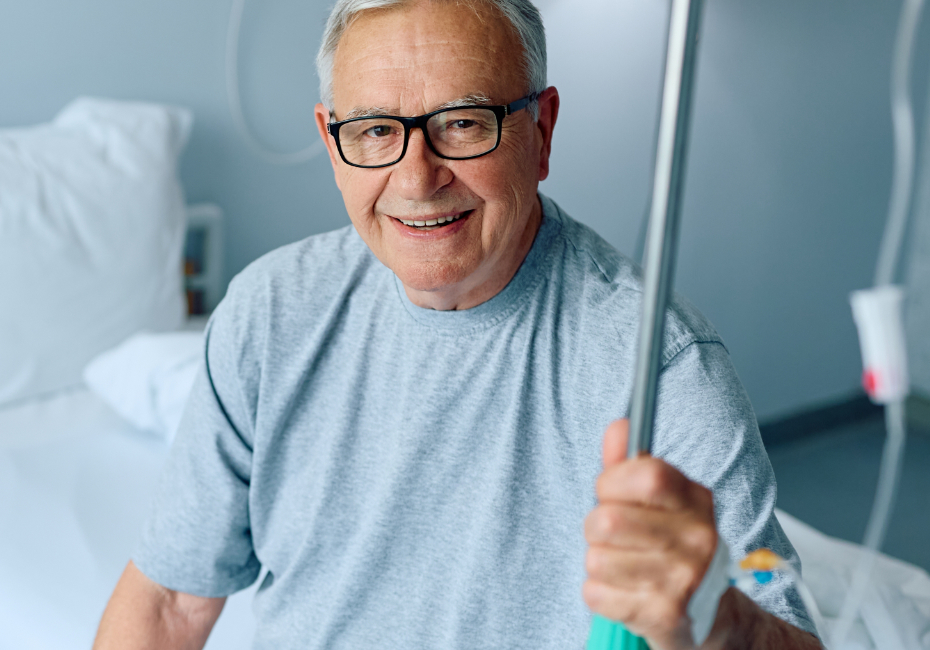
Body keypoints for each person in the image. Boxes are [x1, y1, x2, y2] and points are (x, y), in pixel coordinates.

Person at [94, 0, 822, 648]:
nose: (417, 179)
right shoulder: (268, 316)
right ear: (331, 141)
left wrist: (717, 623)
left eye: (462, 123)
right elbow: (168, 604)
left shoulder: (659, 367)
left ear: (541, 131)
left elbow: (776, 621)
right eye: (377, 131)